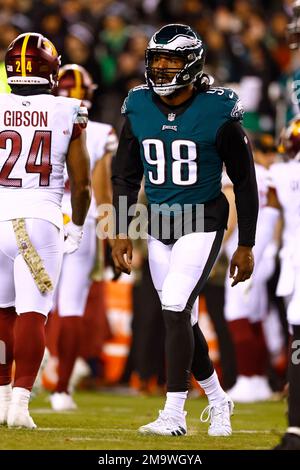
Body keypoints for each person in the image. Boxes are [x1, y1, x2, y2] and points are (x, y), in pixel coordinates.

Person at [111, 24, 258, 436]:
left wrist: (245, 243)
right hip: (156, 224)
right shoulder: (138, 105)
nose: (160, 69)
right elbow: (124, 175)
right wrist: (121, 230)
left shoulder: (217, 108)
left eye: (170, 62)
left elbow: (245, 181)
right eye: (155, 61)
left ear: (191, 64)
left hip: (203, 220)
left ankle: (174, 413)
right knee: (184, 320)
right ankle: (218, 399)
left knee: (174, 306)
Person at [0, 33, 91, 428]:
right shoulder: (69, 110)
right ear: (50, 69)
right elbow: (82, 183)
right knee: (32, 314)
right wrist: (79, 225)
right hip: (40, 220)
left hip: (0, 216)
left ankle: (1, 399)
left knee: (3, 314)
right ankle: (19, 405)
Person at [49, 64, 118, 411]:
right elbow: (101, 190)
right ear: (88, 94)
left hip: (38, 213)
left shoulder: (34, 117)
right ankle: (61, 389)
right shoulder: (100, 129)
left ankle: (19, 382)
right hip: (81, 217)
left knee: (26, 304)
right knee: (72, 304)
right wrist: (112, 236)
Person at [253, 118, 300, 450]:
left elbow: (271, 216)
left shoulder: (281, 174)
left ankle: (296, 428)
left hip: (294, 261)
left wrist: (259, 251)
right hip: (292, 260)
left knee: (297, 342)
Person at [223, 134, 277, 402]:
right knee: (255, 318)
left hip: (244, 253)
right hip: (267, 253)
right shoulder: (270, 176)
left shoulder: (240, 173)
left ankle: (248, 378)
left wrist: (215, 243)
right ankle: (258, 380)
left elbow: (231, 214)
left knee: (237, 314)